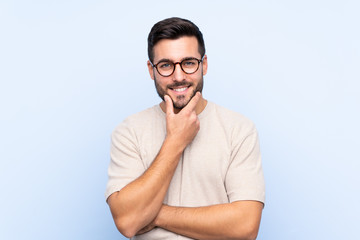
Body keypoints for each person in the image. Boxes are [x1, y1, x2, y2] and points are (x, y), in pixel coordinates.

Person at [105, 17, 265, 240]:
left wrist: (152, 214)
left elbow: (246, 227)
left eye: (189, 63)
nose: (178, 76)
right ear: (151, 70)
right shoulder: (128, 132)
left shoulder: (239, 129)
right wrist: (175, 141)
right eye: (166, 65)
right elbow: (127, 222)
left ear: (204, 64)